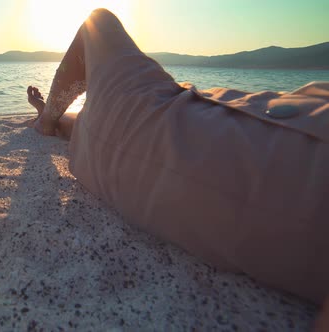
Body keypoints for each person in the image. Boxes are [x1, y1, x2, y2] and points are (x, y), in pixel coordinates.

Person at [26, 8, 329, 306]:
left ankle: (47, 121)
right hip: (186, 114)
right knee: (109, 124)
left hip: (164, 124)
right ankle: (60, 121)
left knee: (98, 23)